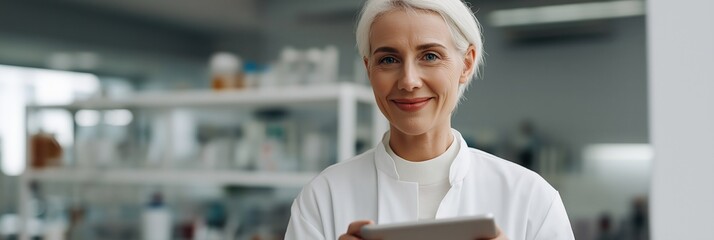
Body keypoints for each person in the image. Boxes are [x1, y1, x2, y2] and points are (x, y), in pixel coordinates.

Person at [285, 0, 575, 239]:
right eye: (388, 59)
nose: (409, 80)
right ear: (368, 68)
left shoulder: (532, 199)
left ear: (466, 63)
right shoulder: (323, 199)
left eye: (430, 56)